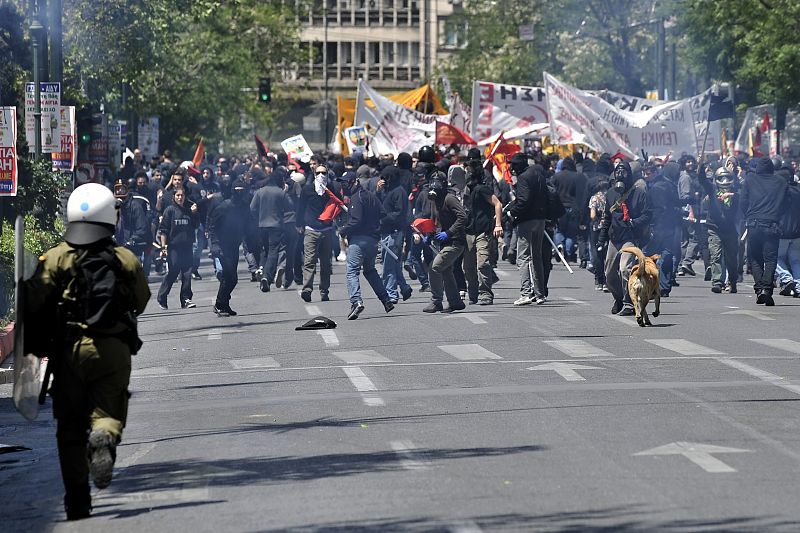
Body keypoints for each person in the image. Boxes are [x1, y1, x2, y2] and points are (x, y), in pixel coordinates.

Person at [22, 183, 150, 520]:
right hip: (112, 349)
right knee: (107, 410)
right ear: (110, 216)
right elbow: (141, 300)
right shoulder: (124, 258)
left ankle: (77, 501)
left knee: (68, 428)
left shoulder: (55, 257)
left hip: (66, 352)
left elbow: (33, 302)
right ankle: (104, 437)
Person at [338, 171, 396, 319]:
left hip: (359, 240)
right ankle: (386, 300)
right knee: (370, 270)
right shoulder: (371, 196)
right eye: (342, 183)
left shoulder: (356, 198)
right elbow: (383, 214)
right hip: (373, 241)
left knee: (352, 271)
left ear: (355, 182)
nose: (344, 186)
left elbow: (356, 220)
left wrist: (343, 230)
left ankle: (356, 302)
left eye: (346, 183)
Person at [598, 161, 652, 316]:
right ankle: (619, 298)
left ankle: (630, 302)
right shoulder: (610, 193)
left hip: (631, 237)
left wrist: (634, 223)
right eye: (618, 171)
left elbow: (648, 214)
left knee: (624, 269)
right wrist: (601, 239)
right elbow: (607, 218)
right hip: (615, 238)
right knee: (609, 274)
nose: (621, 174)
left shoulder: (639, 193)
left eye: (624, 171)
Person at [741, 157, 788, 305]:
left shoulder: (750, 180)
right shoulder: (781, 182)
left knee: (755, 258)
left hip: (754, 224)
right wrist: (776, 216)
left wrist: (748, 216)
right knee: (770, 259)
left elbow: (743, 201)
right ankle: (767, 289)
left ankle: (760, 288)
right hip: (772, 224)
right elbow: (785, 204)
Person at [419, 171, 468, 313]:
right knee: (446, 271)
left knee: (435, 267)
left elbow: (462, 217)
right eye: (432, 182)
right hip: (445, 243)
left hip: (456, 242)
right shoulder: (435, 200)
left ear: (444, 184)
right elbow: (435, 220)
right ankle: (455, 302)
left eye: (438, 183)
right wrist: (429, 234)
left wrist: (449, 232)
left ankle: (436, 302)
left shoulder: (449, 198)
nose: (434, 186)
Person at [296, 163, 343, 302]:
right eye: (318, 173)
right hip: (311, 230)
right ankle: (307, 290)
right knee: (309, 261)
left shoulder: (332, 189)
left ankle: (324, 291)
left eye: (324, 173)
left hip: (327, 230)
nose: (321, 175)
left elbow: (338, 204)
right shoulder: (308, 189)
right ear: (314, 174)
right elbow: (301, 207)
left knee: (325, 264)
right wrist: (299, 224)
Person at [508, 154, 549, 306]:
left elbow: (523, 200)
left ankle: (526, 293)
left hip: (527, 220)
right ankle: (540, 294)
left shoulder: (523, 178)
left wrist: (512, 212)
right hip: (540, 219)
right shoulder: (538, 175)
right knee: (537, 257)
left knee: (523, 257)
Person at [463, 157, 504, 305]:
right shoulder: (465, 191)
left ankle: (486, 294)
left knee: (483, 264)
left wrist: (498, 225)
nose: (466, 174)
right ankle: (472, 293)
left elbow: (497, 204)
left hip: (482, 232)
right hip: (468, 232)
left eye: (468, 171)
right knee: (468, 266)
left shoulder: (482, 189)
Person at [207, 179, 249, 316]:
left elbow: (247, 224)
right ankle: (220, 303)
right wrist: (214, 244)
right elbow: (212, 227)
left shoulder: (243, 206)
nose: (239, 193)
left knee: (230, 277)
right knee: (229, 276)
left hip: (234, 245)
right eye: (237, 190)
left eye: (241, 190)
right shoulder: (224, 206)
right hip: (222, 246)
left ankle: (224, 304)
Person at [700, 166, 741, 294]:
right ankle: (717, 282)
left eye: (727, 178)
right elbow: (702, 179)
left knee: (732, 258)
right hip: (715, 228)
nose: (724, 181)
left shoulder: (736, 191)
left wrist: (732, 195)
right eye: (721, 178)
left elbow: (746, 194)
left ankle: (732, 281)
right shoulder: (712, 190)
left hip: (730, 229)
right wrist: (701, 168)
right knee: (715, 255)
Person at [156, 187, 198, 309]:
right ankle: (162, 297)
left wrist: (194, 213)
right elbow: (163, 230)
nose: (180, 197)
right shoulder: (170, 210)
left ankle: (186, 299)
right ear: (174, 196)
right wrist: (163, 248)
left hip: (187, 246)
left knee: (187, 273)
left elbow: (196, 225)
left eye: (182, 195)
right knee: (173, 272)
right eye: (178, 195)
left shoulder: (189, 210)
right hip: (173, 247)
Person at [379, 165, 413, 304]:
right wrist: (377, 191)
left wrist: (382, 219)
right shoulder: (386, 190)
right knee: (392, 262)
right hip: (385, 231)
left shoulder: (399, 191)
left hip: (394, 232)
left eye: (386, 178)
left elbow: (398, 213)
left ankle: (391, 293)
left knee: (388, 264)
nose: (383, 180)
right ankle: (404, 288)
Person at [250, 170, 286, 292]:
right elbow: (289, 208)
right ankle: (267, 277)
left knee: (265, 250)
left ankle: (263, 270)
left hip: (262, 226)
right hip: (276, 226)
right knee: (273, 251)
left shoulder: (260, 192)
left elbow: (252, 208)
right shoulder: (281, 193)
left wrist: (259, 218)